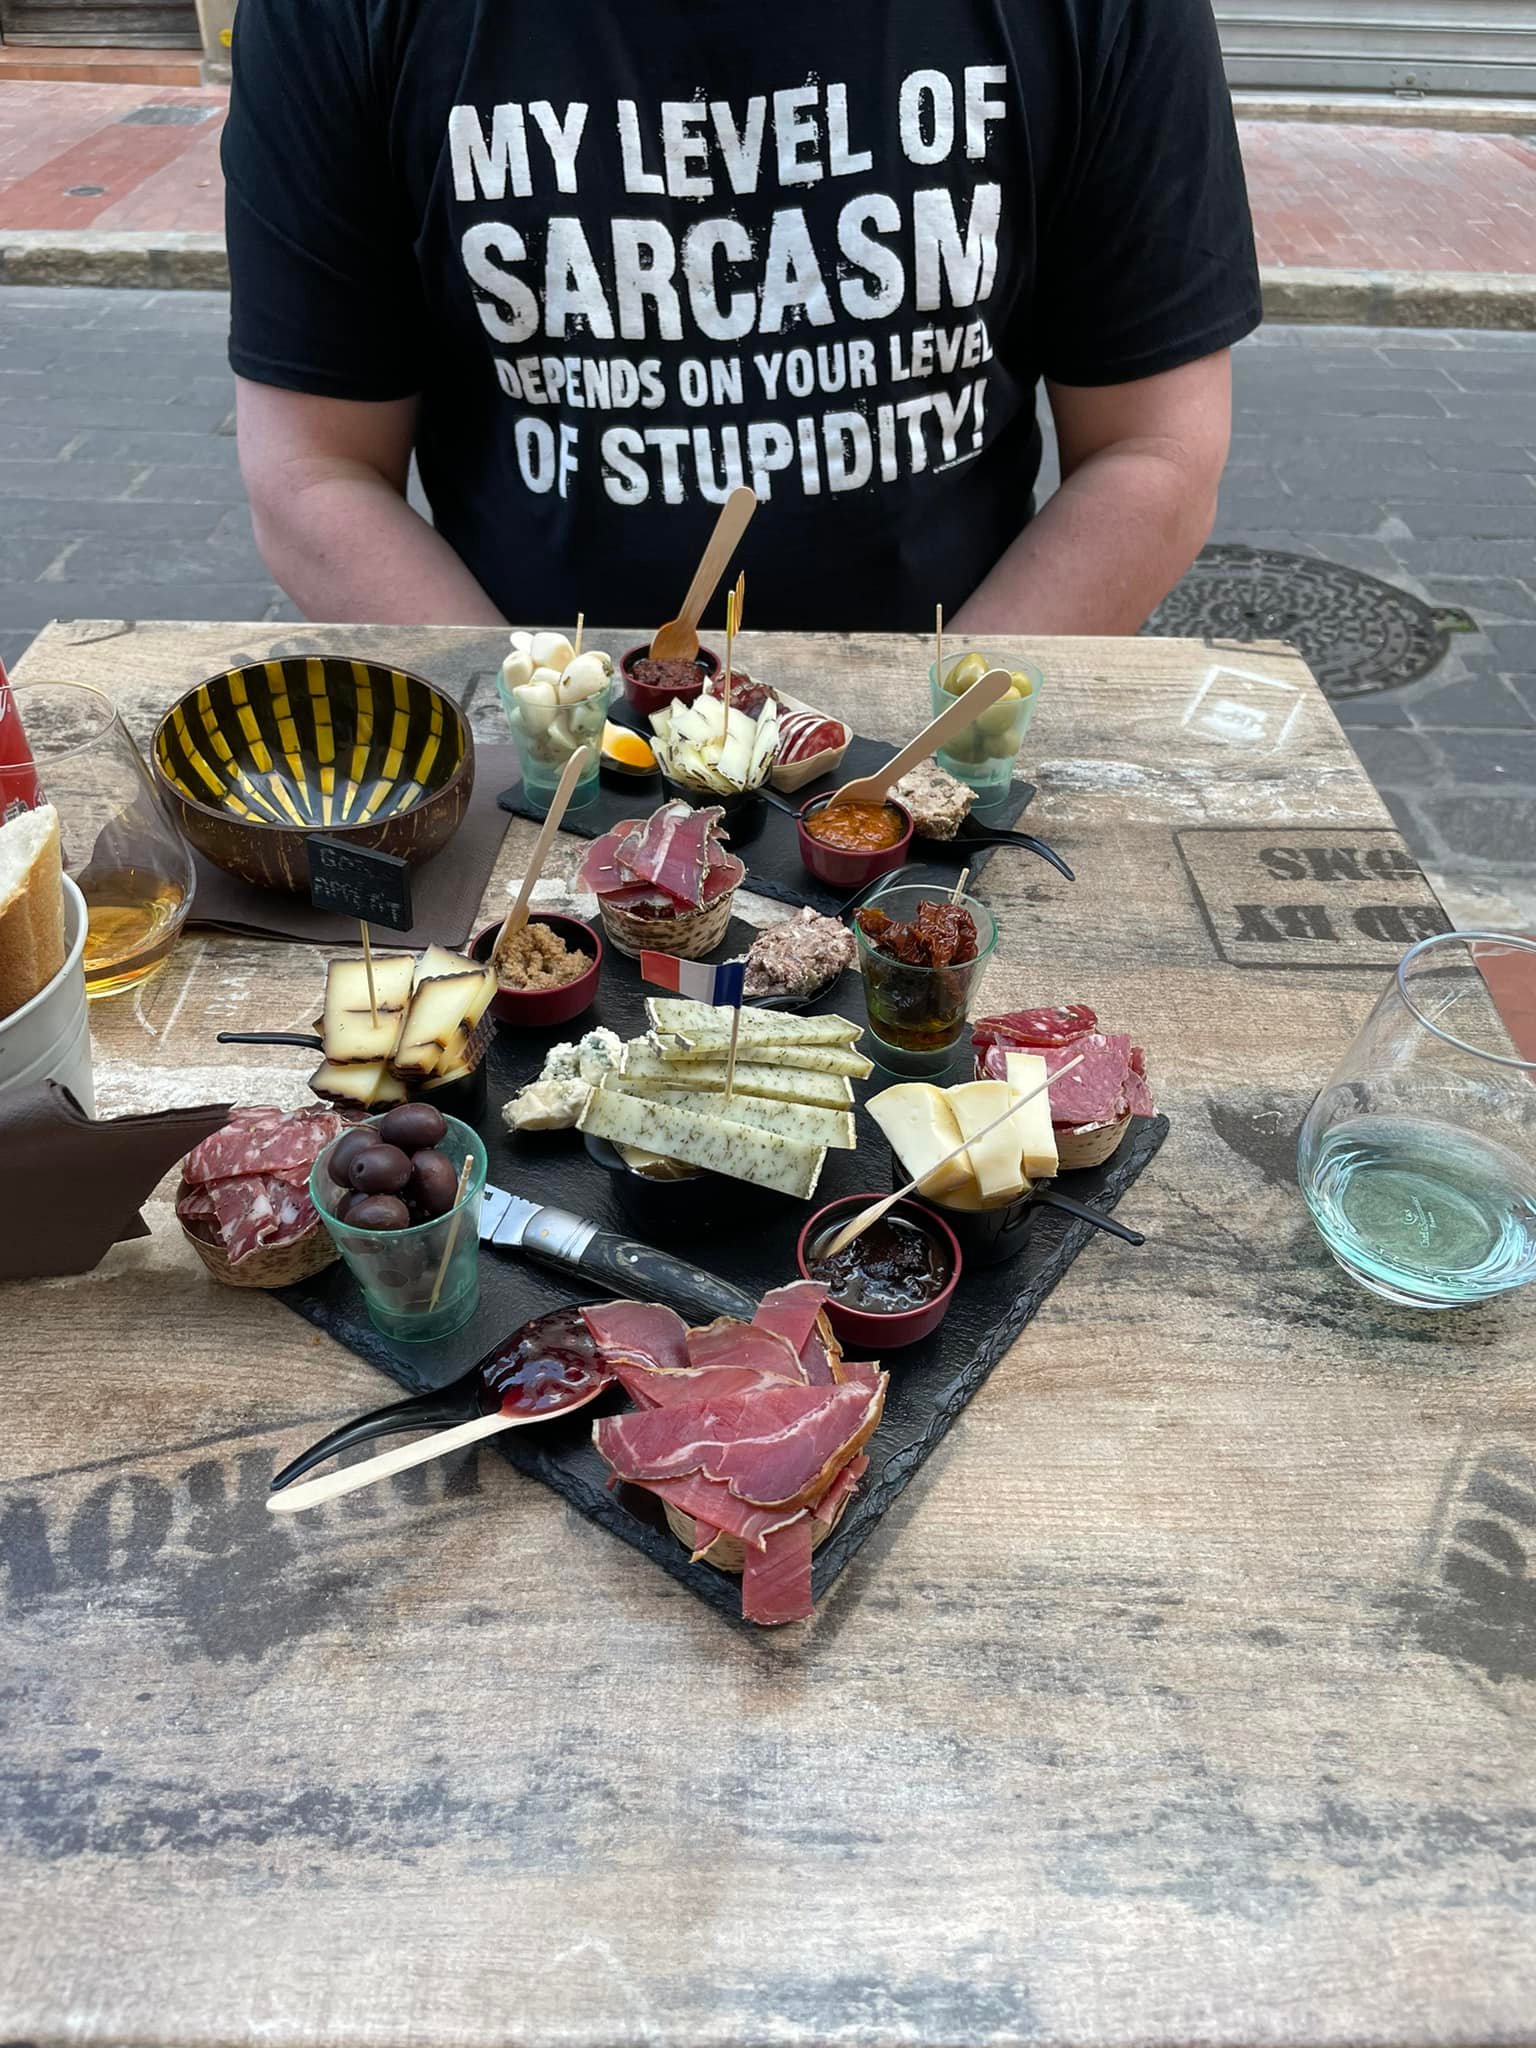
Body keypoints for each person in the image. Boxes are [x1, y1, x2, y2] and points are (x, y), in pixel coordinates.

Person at [223, 0, 1260, 635]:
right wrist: (536, 736)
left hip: (948, 720)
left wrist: (909, 776)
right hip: (526, 740)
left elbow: (1154, 452)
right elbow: (314, 469)